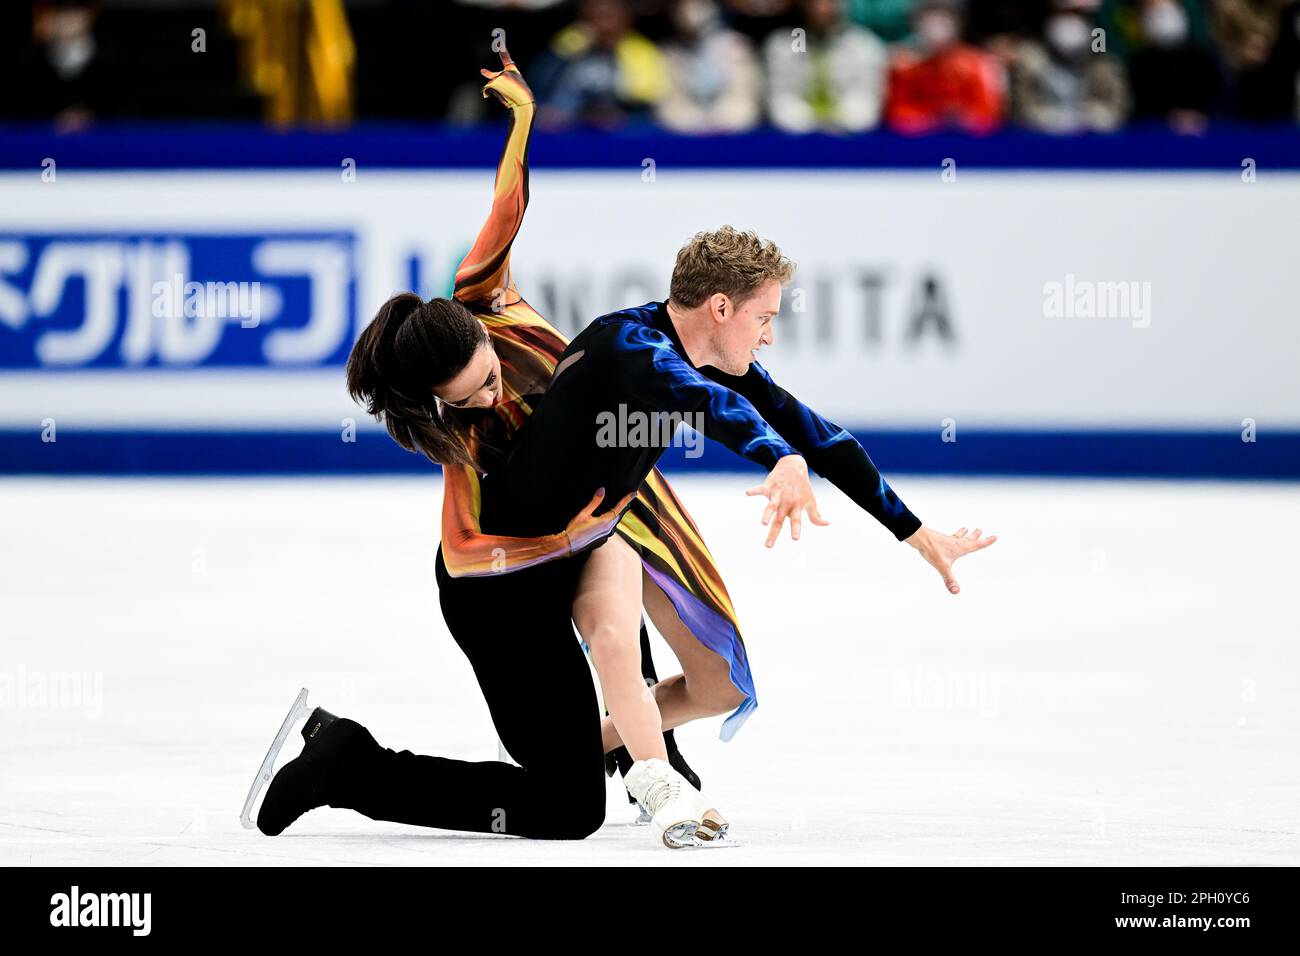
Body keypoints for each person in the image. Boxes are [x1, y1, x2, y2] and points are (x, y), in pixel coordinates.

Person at [248, 50, 752, 848]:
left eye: (484, 377)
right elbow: (482, 551)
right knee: (564, 808)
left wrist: (521, 120)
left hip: (584, 535)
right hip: (502, 594)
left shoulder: (487, 299)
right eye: (468, 397)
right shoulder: (456, 440)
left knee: (627, 643)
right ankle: (348, 763)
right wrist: (568, 532)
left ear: (484, 330)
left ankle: (646, 753)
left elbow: (507, 206)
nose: (490, 397)